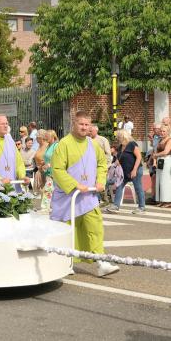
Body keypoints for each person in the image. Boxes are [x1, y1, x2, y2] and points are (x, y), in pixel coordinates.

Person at [51, 111, 117, 277]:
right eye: (81, 124)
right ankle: (66, 262)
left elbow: (102, 164)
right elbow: (57, 169)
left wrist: (100, 181)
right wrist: (74, 184)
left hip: (88, 196)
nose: (84, 127)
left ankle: (101, 262)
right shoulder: (64, 144)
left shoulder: (93, 144)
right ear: (74, 123)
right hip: (69, 197)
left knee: (94, 228)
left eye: (87, 125)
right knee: (68, 231)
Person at [104, 130, 146, 214]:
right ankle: (116, 205)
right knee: (119, 185)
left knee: (138, 187)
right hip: (125, 172)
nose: (117, 138)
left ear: (123, 136)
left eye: (118, 137)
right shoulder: (120, 147)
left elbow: (139, 157)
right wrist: (112, 166)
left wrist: (134, 170)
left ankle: (142, 207)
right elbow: (119, 159)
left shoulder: (132, 144)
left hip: (135, 170)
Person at [153, 124, 171, 207]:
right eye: (161, 131)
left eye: (164, 131)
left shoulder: (169, 140)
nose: (162, 133)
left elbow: (166, 152)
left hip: (167, 161)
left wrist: (156, 155)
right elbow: (155, 151)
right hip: (160, 162)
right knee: (160, 181)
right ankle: (162, 200)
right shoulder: (160, 140)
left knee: (166, 181)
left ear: (168, 132)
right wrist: (155, 162)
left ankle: (168, 201)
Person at [41, 130, 59, 211]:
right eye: (45, 136)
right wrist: (44, 163)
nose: (45, 138)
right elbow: (47, 158)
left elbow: (58, 159)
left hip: (54, 173)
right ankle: (50, 207)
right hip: (48, 172)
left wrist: (48, 164)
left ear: (53, 137)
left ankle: (45, 208)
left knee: (48, 190)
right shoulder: (48, 146)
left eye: (47, 136)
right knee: (50, 190)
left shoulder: (56, 146)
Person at [32, 129, 48, 198]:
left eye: (37, 137)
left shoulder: (47, 146)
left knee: (45, 192)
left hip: (45, 171)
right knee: (40, 193)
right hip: (39, 171)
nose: (36, 139)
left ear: (41, 138)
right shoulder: (39, 146)